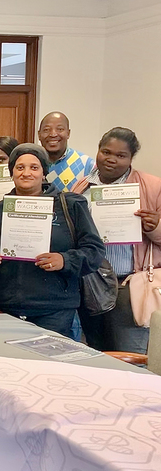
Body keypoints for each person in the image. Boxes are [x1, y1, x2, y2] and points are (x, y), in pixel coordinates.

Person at [0, 143, 105, 337]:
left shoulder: (71, 206)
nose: (27, 173)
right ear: (11, 173)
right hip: (6, 309)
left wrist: (64, 260)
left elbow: (95, 251)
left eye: (34, 167)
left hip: (55, 311)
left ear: (44, 172)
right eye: (20, 167)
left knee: (49, 366)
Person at [71, 127, 161, 353]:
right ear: (98, 151)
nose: (111, 160)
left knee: (128, 354)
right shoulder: (82, 187)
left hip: (128, 285)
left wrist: (154, 227)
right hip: (88, 283)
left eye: (121, 156)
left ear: (131, 159)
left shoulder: (151, 186)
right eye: (106, 152)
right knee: (92, 350)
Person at [38, 112, 94, 192]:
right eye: (46, 130)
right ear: (39, 134)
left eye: (60, 129)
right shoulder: (30, 164)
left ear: (68, 133)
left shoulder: (87, 164)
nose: (53, 134)